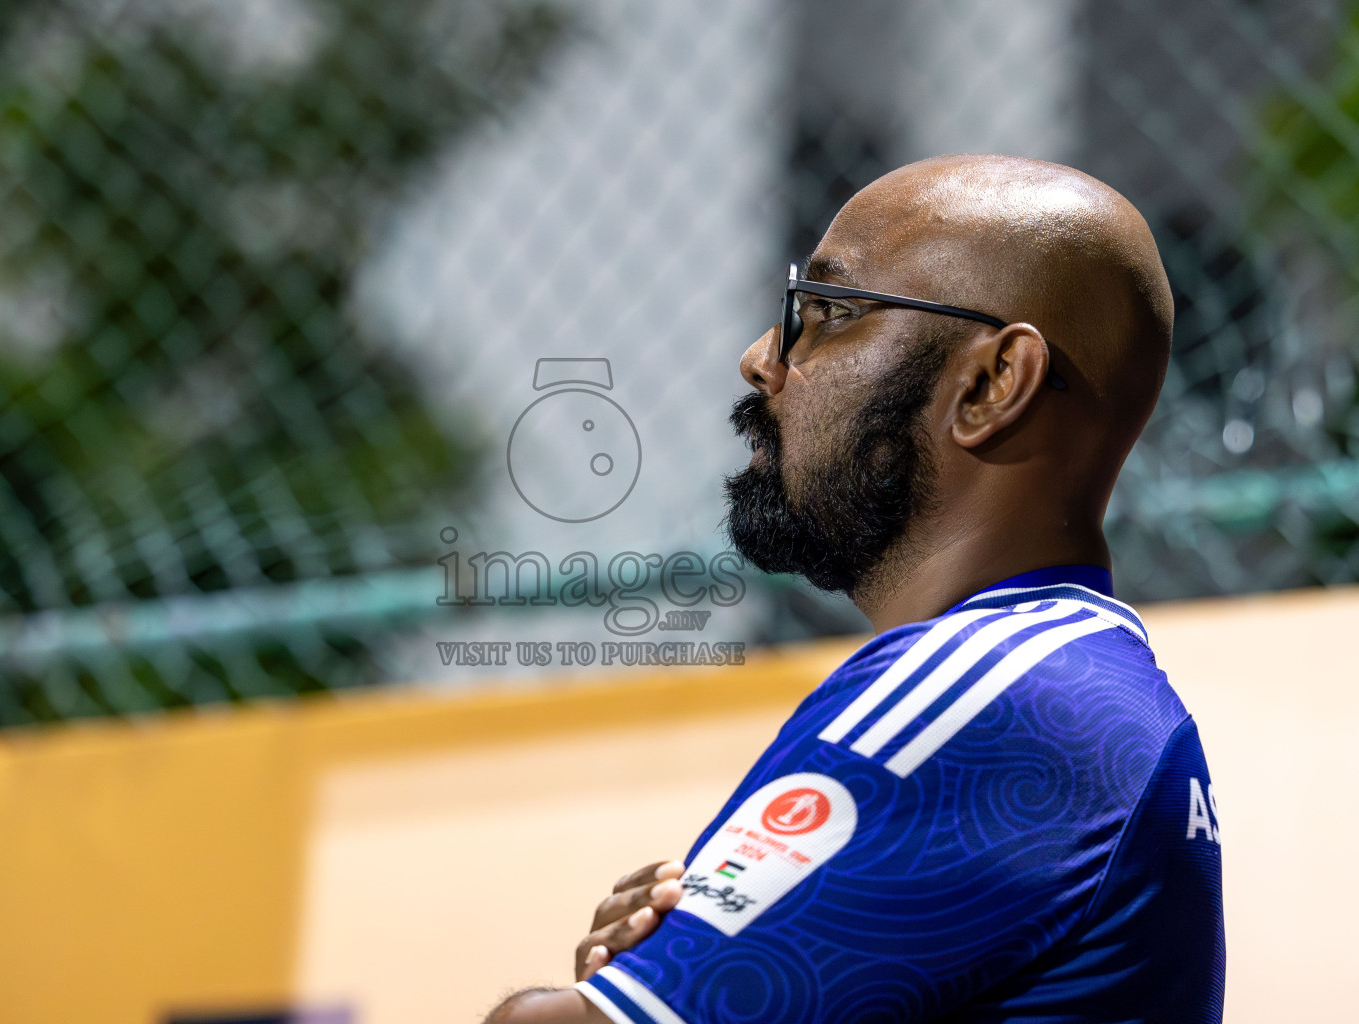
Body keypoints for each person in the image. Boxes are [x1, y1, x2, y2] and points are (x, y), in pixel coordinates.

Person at [484, 154, 1224, 1024]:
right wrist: (644, 987)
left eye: (828, 313)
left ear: (991, 384)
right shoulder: (1088, 688)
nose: (761, 358)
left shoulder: (990, 698)